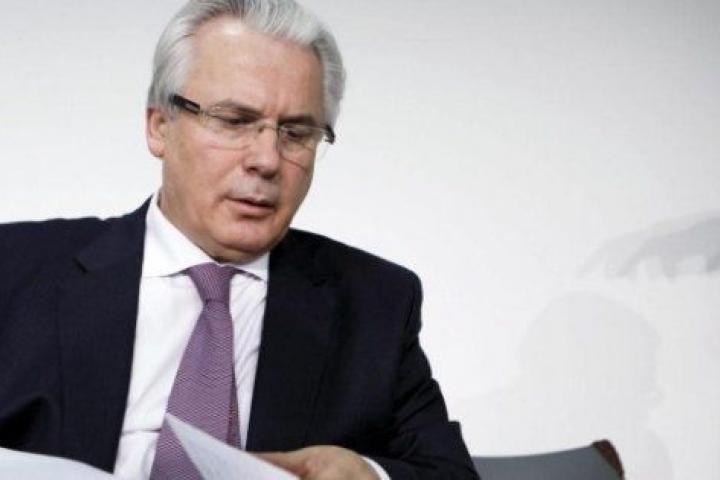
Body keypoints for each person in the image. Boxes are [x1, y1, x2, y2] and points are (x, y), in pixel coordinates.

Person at [0, 1, 477, 479]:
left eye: (296, 132)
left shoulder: (373, 304)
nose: (267, 160)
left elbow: (449, 473)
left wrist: (369, 475)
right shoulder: (15, 269)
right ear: (159, 126)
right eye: (234, 121)